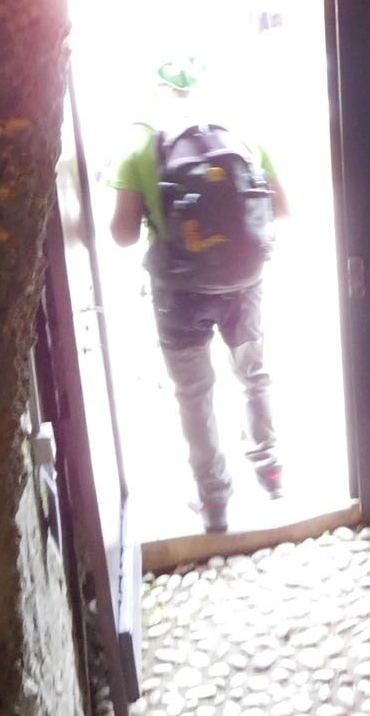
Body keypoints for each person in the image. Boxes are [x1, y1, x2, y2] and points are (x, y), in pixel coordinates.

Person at [109, 57, 288, 534]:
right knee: (254, 373)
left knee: (194, 392)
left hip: (180, 294)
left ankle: (213, 501)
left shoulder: (139, 146)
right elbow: (284, 209)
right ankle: (270, 470)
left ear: (157, 91)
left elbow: (122, 235)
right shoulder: (243, 136)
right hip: (244, 286)